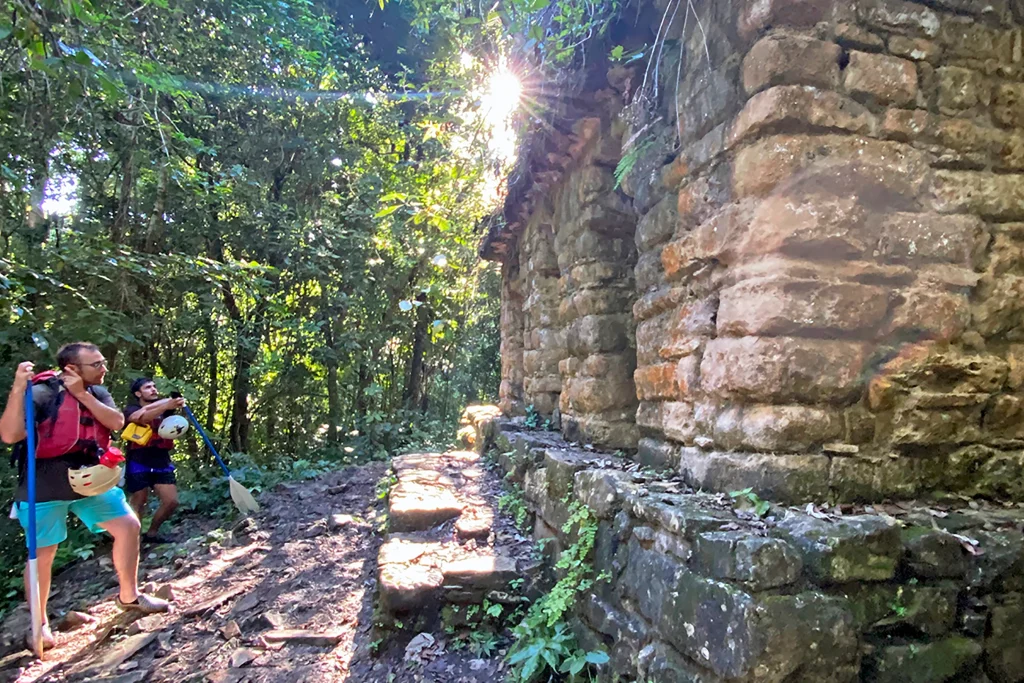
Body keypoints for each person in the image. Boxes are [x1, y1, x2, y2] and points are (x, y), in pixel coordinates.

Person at [0, 343, 169, 651]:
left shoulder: (96, 392)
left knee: (128, 527)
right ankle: (39, 625)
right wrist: (17, 388)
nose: (103, 368)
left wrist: (81, 393)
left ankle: (129, 596)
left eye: (103, 362)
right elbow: (10, 435)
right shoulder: (42, 394)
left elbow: (117, 423)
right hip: (44, 486)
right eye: (96, 364)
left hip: (92, 480)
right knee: (43, 554)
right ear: (71, 369)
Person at [122, 378, 185, 544]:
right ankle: (132, 540)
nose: (153, 389)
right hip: (138, 460)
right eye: (148, 387)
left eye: (154, 386)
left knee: (171, 502)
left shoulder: (166, 409)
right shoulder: (131, 409)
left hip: (161, 460)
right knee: (139, 502)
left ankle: (151, 534)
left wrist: (173, 403)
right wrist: (166, 405)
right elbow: (140, 418)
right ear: (138, 393)